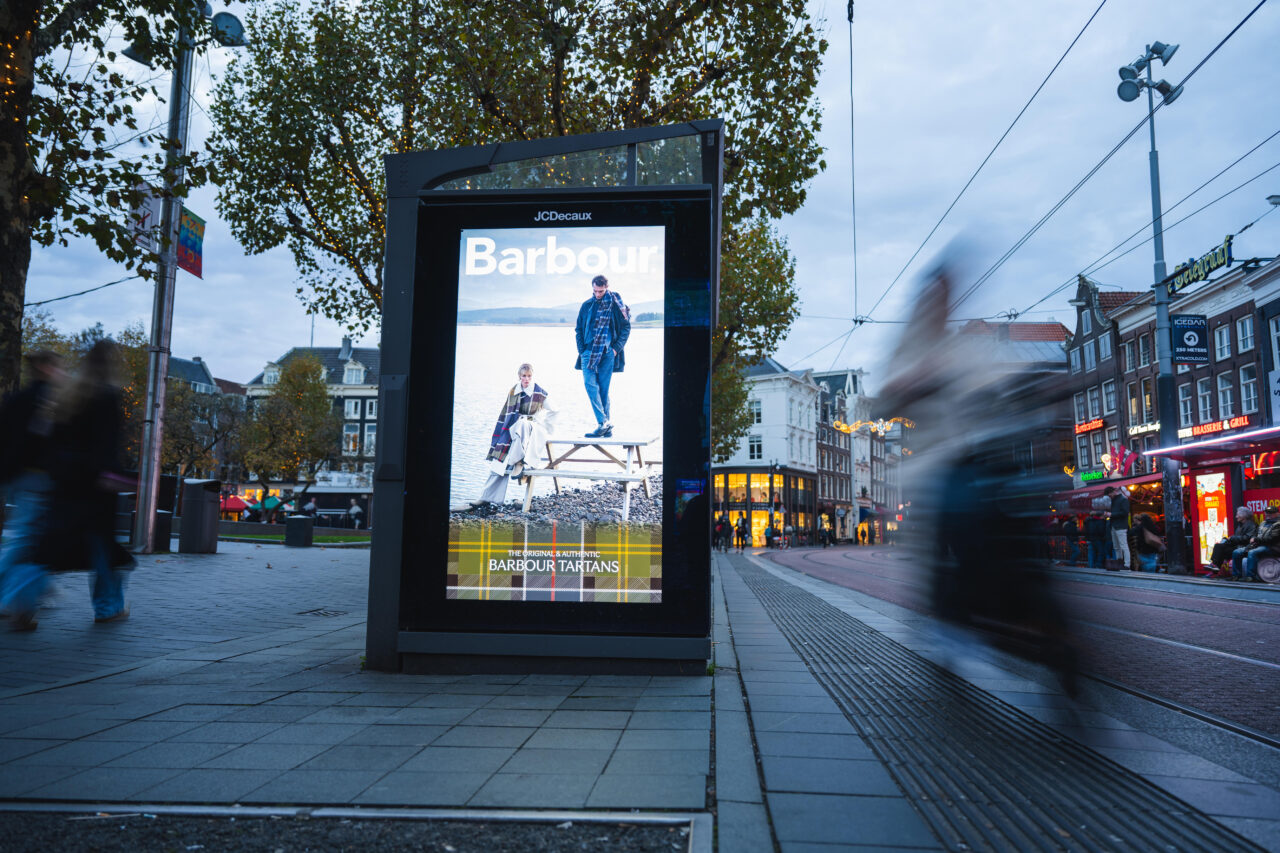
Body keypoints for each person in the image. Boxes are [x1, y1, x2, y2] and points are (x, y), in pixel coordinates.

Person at [42, 340, 134, 623]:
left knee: (54, 545)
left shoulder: (68, 396)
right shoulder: (107, 396)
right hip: (96, 484)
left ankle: (23, 596)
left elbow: (54, 439)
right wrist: (119, 477)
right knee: (105, 550)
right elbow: (106, 444)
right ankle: (108, 607)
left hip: (67, 482)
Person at [0, 351, 64, 631]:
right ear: (43, 367)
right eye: (55, 366)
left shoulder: (19, 399)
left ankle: (27, 602)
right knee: (27, 539)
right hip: (35, 478)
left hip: (19, 476)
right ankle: (20, 598)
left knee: (28, 540)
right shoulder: (44, 400)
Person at [475, 363, 557, 506]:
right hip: (514, 429)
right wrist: (503, 432)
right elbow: (506, 413)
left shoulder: (539, 393)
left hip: (533, 428)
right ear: (519, 376)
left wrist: (546, 428)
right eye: (524, 376)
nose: (526, 379)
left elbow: (555, 410)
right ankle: (488, 497)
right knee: (500, 462)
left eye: (529, 376)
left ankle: (519, 462)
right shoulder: (514, 391)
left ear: (533, 376)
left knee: (522, 424)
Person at [574, 274, 630, 438]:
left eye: (600, 291)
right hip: (587, 353)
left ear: (606, 287)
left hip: (607, 353)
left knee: (603, 390)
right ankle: (604, 422)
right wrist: (582, 350)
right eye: (595, 291)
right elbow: (578, 329)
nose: (598, 294)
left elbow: (626, 328)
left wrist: (615, 349)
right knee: (590, 385)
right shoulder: (587, 305)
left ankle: (606, 427)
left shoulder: (616, 306)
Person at [1233, 504, 1280, 582]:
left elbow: (1271, 539)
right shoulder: (1263, 523)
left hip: (1273, 547)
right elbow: (1256, 533)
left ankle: (1251, 576)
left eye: (1270, 513)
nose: (1268, 515)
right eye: (1267, 513)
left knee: (1253, 552)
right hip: (1259, 545)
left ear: (1277, 514)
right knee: (1237, 552)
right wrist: (1253, 538)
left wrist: (1256, 539)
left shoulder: (1278, 524)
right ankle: (1236, 575)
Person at [1210, 506, 1255, 578]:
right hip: (1237, 545)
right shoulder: (1241, 525)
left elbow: (1247, 538)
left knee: (1222, 550)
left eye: (1238, 515)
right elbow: (1238, 537)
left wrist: (1232, 538)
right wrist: (1228, 539)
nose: (1236, 517)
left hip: (1243, 547)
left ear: (1244, 516)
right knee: (1218, 546)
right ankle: (1214, 566)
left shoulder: (1251, 525)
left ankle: (1215, 569)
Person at [1105, 486, 1131, 570]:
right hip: (1116, 525)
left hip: (1119, 526)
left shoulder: (1123, 500)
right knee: (1118, 546)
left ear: (1113, 492)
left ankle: (1126, 564)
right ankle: (1121, 563)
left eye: (1109, 494)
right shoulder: (1119, 500)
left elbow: (1125, 513)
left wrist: (1111, 514)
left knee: (1122, 546)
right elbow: (1123, 513)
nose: (1109, 496)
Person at [1083, 502, 1110, 569]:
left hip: (1091, 539)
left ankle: (1092, 565)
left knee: (1092, 553)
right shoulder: (1100, 521)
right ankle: (1098, 565)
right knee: (1100, 552)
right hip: (1098, 539)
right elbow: (1101, 531)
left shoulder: (1090, 521)